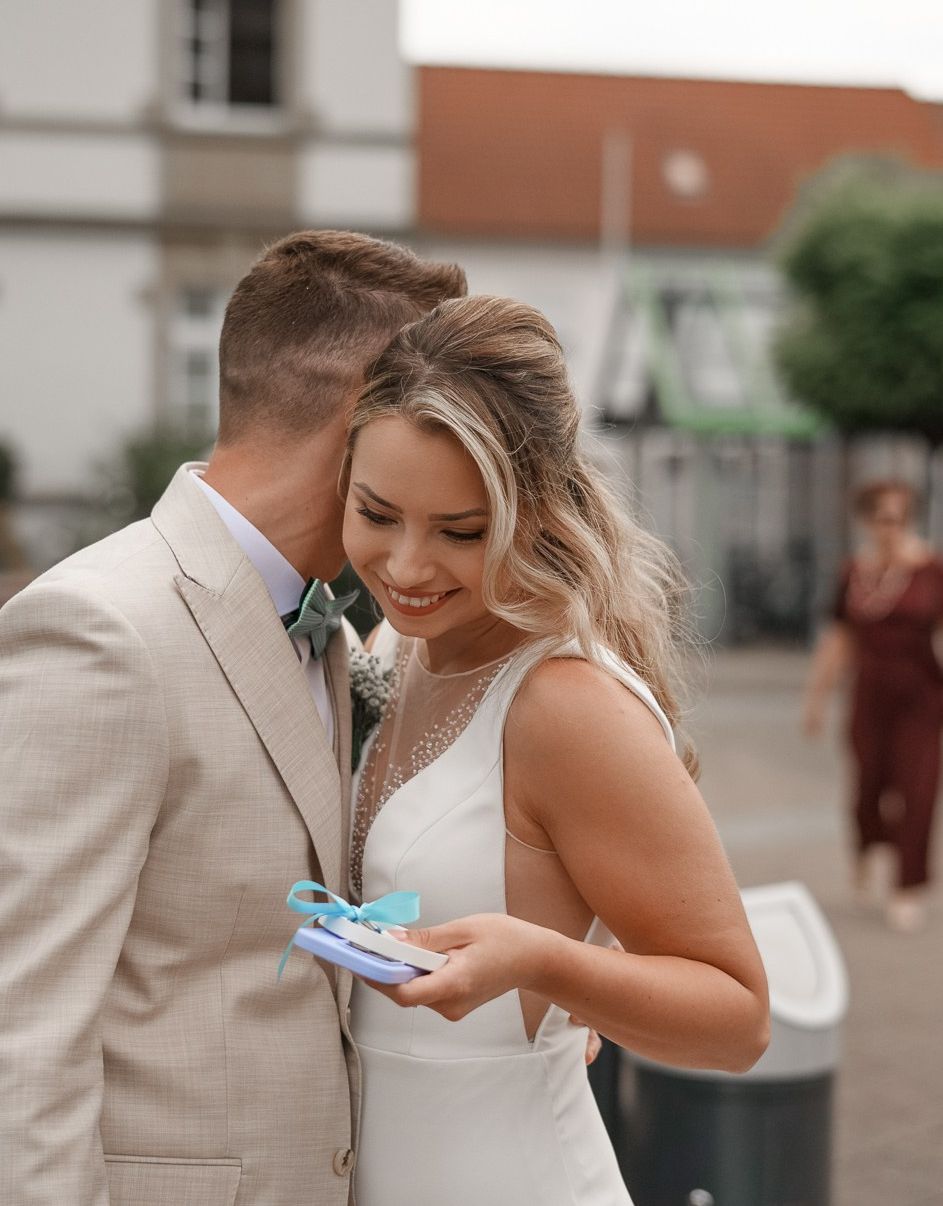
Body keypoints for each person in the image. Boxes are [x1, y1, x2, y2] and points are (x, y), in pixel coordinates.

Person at [0, 231, 466, 1206]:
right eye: (446, 430)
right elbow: (4, 1049)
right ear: (362, 421)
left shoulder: (327, 631)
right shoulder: (94, 633)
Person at [339, 295, 770, 1205]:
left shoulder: (567, 706)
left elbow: (740, 1019)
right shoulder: (389, 648)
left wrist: (543, 961)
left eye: (459, 531)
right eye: (378, 513)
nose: (407, 568)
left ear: (533, 513)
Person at [800, 479, 943, 934]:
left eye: (900, 518)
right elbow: (839, 641)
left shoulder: (931, 569)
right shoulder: (854, 574)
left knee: (918, 792)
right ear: (868, 521)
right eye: (883, 518)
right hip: (869, 696)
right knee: (868, 790)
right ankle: (863, 856)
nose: (892, 527)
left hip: (921, 697)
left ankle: (906, 888)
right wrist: (816, 698)